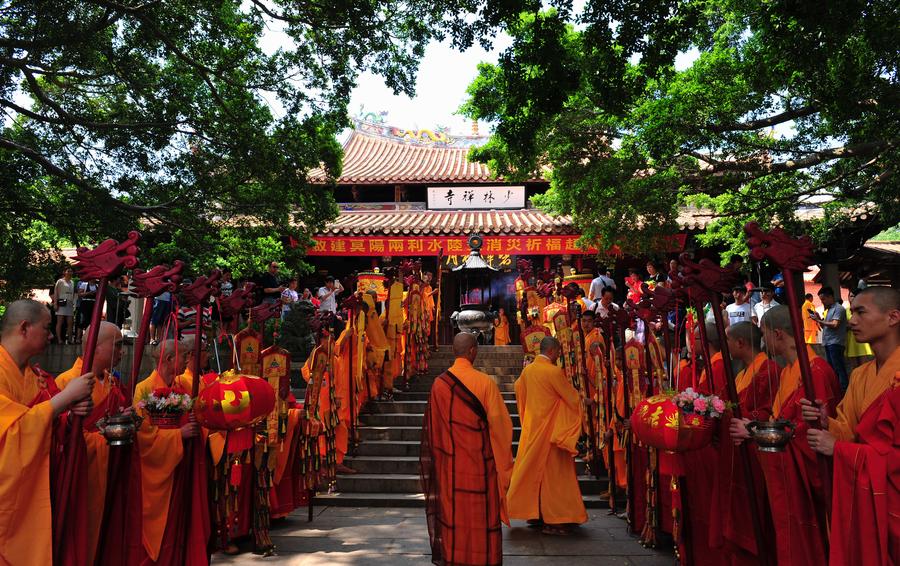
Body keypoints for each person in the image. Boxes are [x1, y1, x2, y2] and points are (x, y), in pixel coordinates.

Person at [731, 305, 838, 566]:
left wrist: (754, 430)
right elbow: (780, 420)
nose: (763, 342)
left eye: (765, 335)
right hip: (782, 474)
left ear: (778, 334)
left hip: (806, 477)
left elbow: (806, 432)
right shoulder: (790, 370)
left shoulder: (815, 372)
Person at [801, 286, 900, 565]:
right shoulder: (860, 374)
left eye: (860, 312)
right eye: (852, 311)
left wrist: (841, 451)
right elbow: (850, 431)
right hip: (866, 494)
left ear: (893, 317)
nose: (852, 320)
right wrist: (826, 423)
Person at [0, 300, 95, 565]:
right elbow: (13, 432)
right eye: (46, 327)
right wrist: (64, 399)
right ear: (24, 328)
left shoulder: (36, 376)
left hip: (36, 492)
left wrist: (69, 416)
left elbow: (51, 426)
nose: (52, 335)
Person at [421, 332, 513, 565]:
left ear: (454, 351)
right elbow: (502, 430)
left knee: (455, 517)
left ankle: (455, 558)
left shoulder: (439, 385)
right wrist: (505, 469)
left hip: (450, 468)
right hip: (480, 467)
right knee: (480, 518)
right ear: (473, 351)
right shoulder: (485, 383)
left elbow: (434, 432)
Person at [55, 321, 129, 564]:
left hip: (110, 474)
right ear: (96, 348)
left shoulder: (112, 383)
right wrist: (108, 434)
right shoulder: (67, 383)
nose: (122, 352)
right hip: (82, 478)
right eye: (117, 346)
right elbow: (61, 439)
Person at [130, 339, 208, 564]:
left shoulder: (181, 388)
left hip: (179, 467)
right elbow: (142, 435)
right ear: (169, 359)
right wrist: (178, 435)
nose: (187, 360)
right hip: (157, 472)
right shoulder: (144, 389)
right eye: (184, 356)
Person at [710, 322, 777, 565]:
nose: (724, 345)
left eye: (727, 340)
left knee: (755, 514)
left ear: (740, 343)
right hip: (736, 453)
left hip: (754, 454)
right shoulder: (741, 373)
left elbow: (770, 413)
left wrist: (749, 424)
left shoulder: (767, 370)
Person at [507, 336, 587, 535]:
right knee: (555, 478)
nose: (559, 355)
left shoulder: (528, 371)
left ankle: (537, 514)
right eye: (558, 352)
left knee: (534, 473)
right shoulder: (553, 372)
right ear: (552, 351)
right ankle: (557, 519)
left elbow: (518, 390)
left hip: (532, 430)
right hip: (551, 434)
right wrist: (586, 400)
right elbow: (571, 398)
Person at [812, 286, 849, 391]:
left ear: (830, 297)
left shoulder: (839, 308)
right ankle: (837, 387)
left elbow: (834, 324)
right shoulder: (829, 310)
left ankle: (843, 388)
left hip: (836, 343)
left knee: (838, 367)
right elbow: (825, 326)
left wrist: (820, 321)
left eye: (823, 299)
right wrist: (819, 319)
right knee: (832, 368)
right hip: (829, 342)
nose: (822, 302)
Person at [844, 288, 874, 370]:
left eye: (854, 296)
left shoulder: (865, 309)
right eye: (850, 296)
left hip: (862, 341)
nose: (851, 298)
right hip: (851, 340)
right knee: (854, 368)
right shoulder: (846, 310)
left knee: (864, 367)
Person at [53, 266, 76, 344]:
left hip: (69, 303)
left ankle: (70, 339)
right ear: (64, 272)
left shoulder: (72, 282)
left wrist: (73, 303)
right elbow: (56, 292)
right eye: (68, 271)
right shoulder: (60, 281)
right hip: (61, 302)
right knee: (60, 321)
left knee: (70, 322)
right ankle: (59, 339)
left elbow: (73, 293)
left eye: (71, 271)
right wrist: (55, 303)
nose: (70, 272)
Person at [75, 277, 100, 343]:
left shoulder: (97, 286)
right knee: (81, 320)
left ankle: (88, 338)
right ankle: (78, 338)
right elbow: (79, 294)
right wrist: (89, 293)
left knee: (91, 322)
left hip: (94, 304)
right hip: (85, 303)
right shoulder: (84, 284)